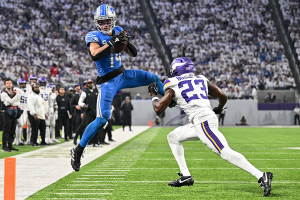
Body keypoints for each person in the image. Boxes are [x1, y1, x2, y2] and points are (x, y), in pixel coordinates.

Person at [147, 57, 273, 197]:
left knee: (224, 152)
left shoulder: (173, 82)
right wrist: (219, 108)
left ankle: (261, 175)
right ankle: (186, 175)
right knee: (173, 137)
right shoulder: (201, 79)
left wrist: (153, 95)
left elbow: (158, 109)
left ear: (176, 70)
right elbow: (223, 96)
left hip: (202, 122)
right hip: (202, 120)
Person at [71, 4, 169, 172]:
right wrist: (111, 42)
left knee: (152, 78)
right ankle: (78, 150)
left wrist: (125, 41)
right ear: (97, 22)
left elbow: (133, 53)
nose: (105, 23)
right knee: (102, 118)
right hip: (108, 82)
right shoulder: (93, 35)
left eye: (108, 20)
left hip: (123, 76)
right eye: (102, 21)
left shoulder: (117, 30)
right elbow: (95, 55)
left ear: (113, 20)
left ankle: (171, 99)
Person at [78, 79, 100, 146]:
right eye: (89, 83)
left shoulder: (97, 91)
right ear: (87, 84)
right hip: (89, 112)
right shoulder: (85, 92)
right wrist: (83, 105)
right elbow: (79, 102)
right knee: (89, 128)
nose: (90, 84)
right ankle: (89, 142)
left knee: (96, 127)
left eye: (91, 83)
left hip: (96, 112)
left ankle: (96, 142)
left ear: (93, 83)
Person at [1, 78, 20, 152]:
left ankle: (10, 145)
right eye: (7, 83)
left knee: (12, 129)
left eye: (10, 83)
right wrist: (17, 96)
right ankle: (4, 146)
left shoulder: (13, 93)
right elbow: (11, 101)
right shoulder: (3, 93)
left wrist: (13, 101)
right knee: (6, 129)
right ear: (5, 84)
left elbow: (17, 103)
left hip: (14, 111)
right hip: (7, 112)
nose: (9, 84)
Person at [13, 78, 29, 146]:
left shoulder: (27, 91)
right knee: (19, 124)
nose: (23, 85)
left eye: (24, 84)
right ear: (19, 84)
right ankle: (17, 140)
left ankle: (18, 139)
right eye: (21, 84)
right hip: (19, 108)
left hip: (25, 109)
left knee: (22, 124)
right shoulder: (17, 90)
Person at [26, 74, 38, 144]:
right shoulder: (27, 87)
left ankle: (34, 139)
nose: (33, 80)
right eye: (32, 79)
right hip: (28, 107)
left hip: (36, 107)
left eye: (34, 79)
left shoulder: (37, 87)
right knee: (29, 125)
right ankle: (27, 139)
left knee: (35, 125)